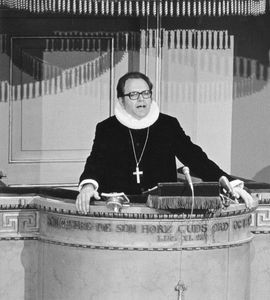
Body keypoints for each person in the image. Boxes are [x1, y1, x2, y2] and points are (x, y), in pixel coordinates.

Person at [76, 71, 231, 213]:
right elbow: (96, 161)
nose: (141, 99)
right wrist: (88, 185)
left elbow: (194, 157)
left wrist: (223, 179)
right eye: (134, 94)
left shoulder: (168, 125)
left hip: (161, 212)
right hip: (120, 211)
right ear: (121, 100)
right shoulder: (107, 128)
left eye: (145, 93)